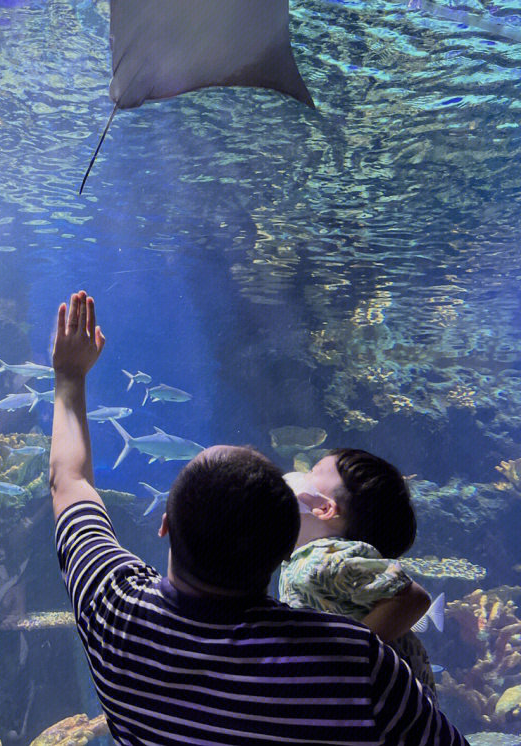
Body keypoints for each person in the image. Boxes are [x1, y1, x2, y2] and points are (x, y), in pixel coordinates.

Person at [48, 290, 467, 746]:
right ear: (285, 544)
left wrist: (69, 377)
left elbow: (69, 483)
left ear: (165, 523)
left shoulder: (114, 611)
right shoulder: (357, 661)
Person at [281, 451, 439, 698]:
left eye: (313, 471)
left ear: (324, 508)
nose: (301, 473)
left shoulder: (324, 558)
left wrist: (351, 659)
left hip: (387, 710)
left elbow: (414, 598)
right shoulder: (302, 558)